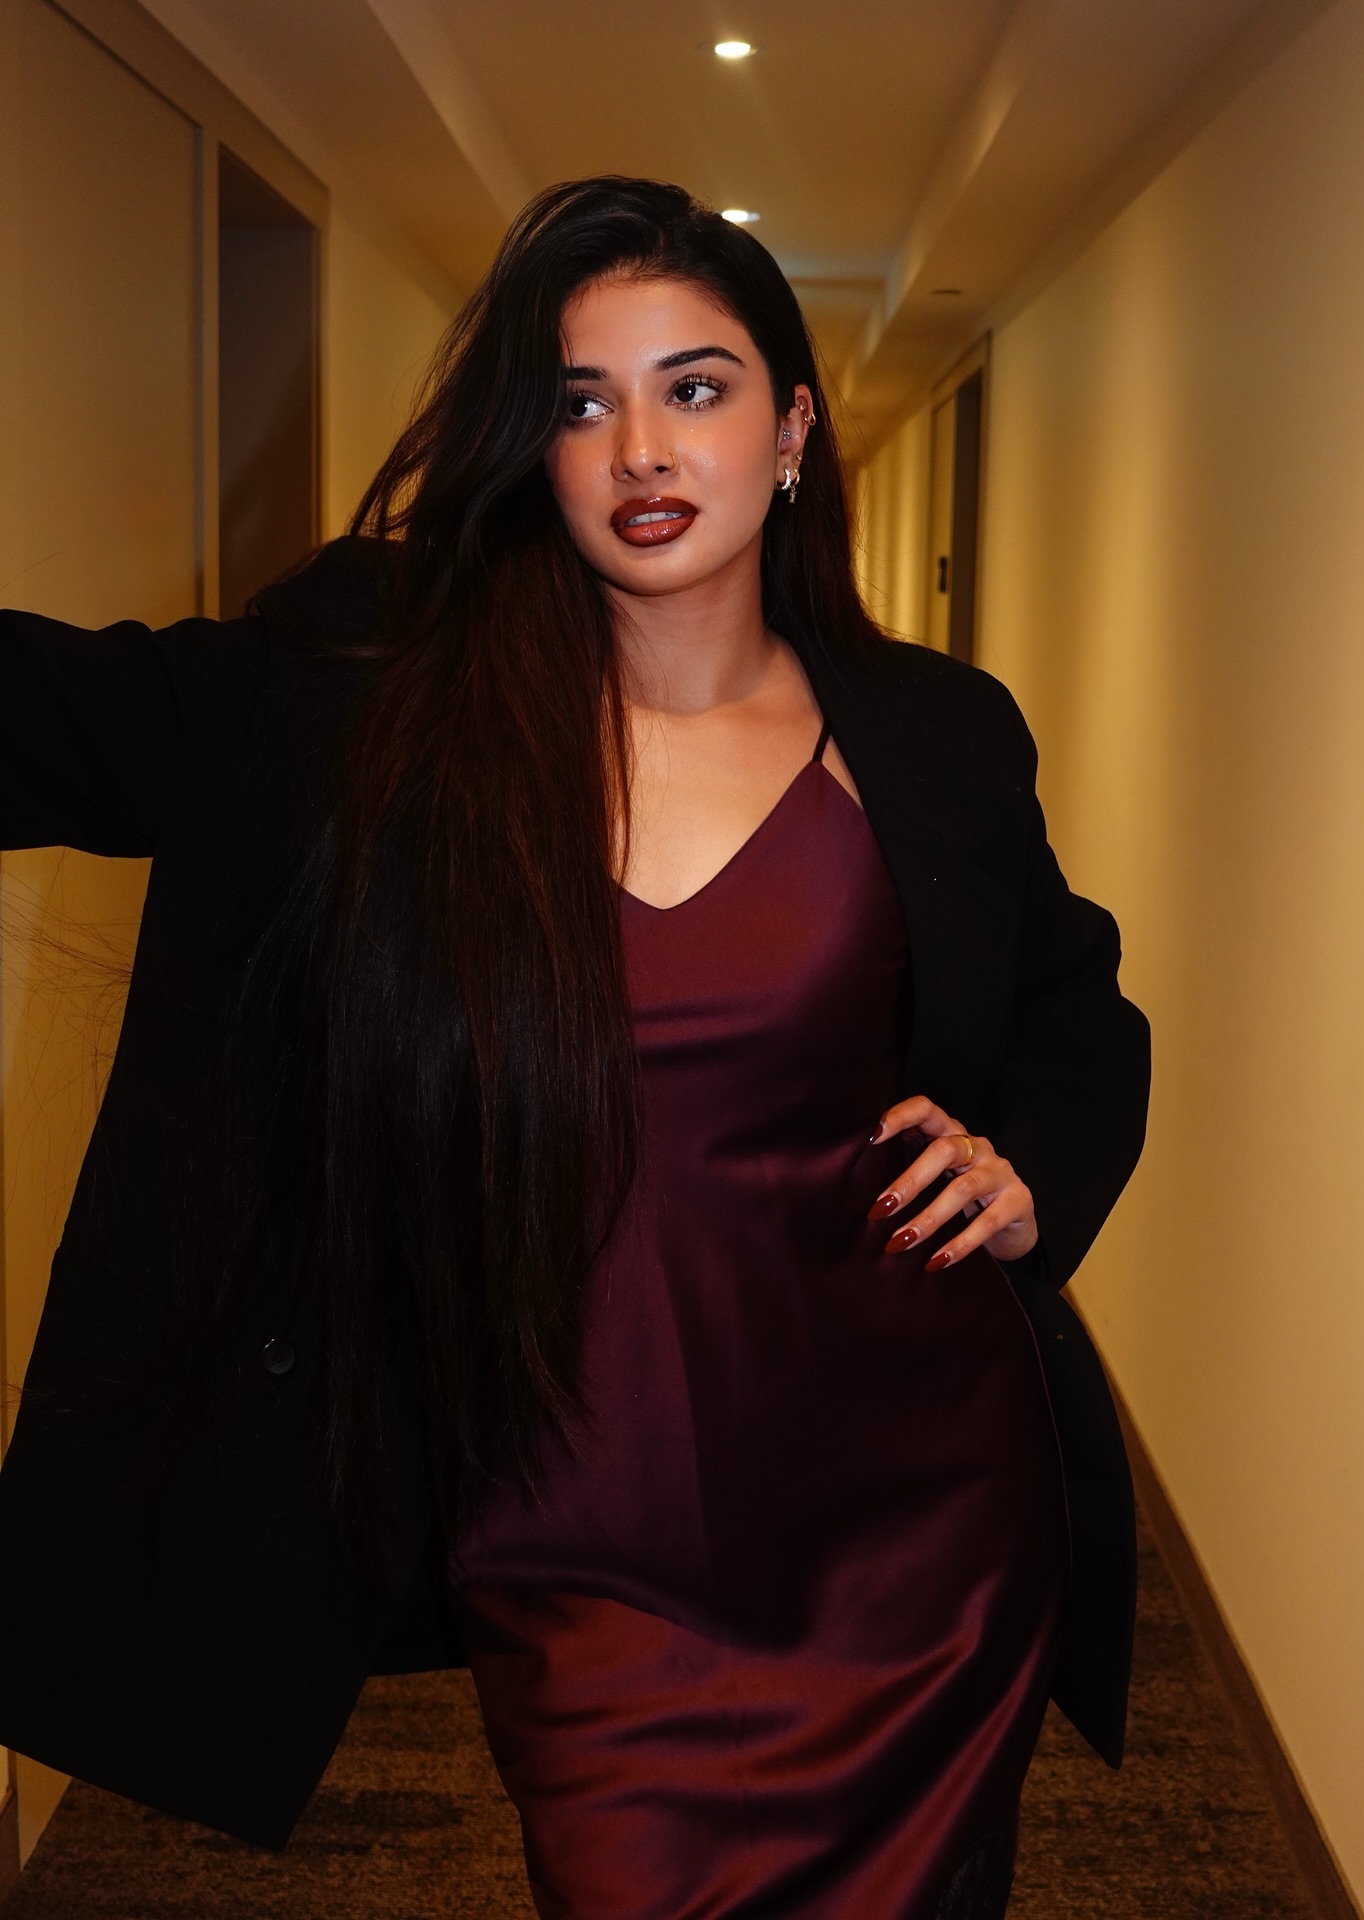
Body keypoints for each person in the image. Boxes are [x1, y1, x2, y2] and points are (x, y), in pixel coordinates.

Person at [0, 178, 1149, 1919]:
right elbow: (62, 719)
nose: (641, 449)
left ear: (792, 431)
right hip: (575, 1527)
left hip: (915, 1513)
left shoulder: (935, 734)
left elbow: (1076, 1001)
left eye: (695, 388)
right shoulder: (381, 708)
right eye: (580, 401)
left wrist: (1033, 1171)